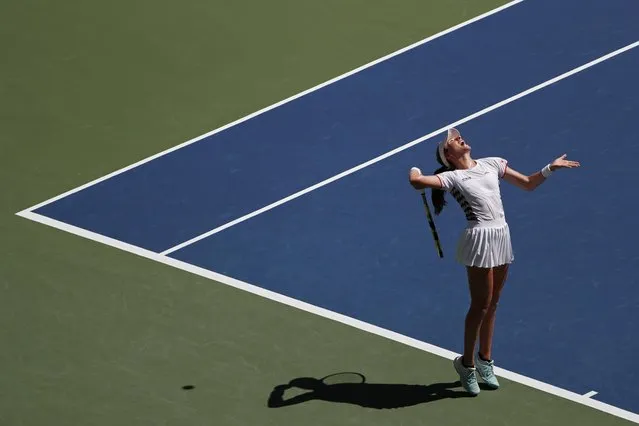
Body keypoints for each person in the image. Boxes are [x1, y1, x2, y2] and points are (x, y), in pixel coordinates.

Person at [408, 128, 580, 395]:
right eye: (452, 141)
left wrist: (550, 168)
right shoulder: (453, 177)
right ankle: (466, 364)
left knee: (493, 302)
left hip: (501, 234)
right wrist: (414, 174)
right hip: (479, 240)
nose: (458, 138)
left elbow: (528, 183)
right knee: (480, 304)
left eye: (458, 136)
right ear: (449, 156)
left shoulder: (492, 164)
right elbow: (419, 183)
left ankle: (484, 360)